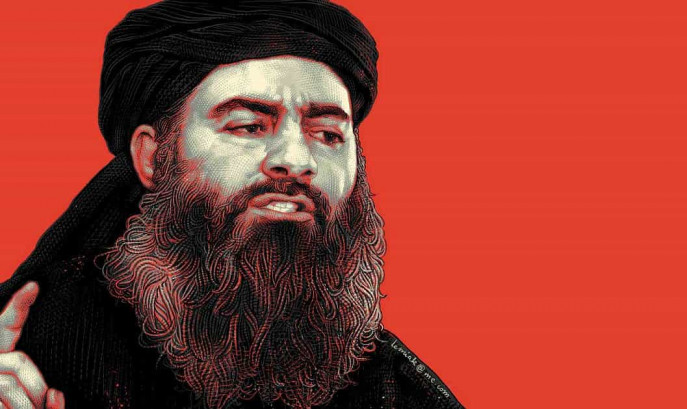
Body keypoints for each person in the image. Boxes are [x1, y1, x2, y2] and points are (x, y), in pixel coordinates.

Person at [0, 1, 464, 408]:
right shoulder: (37, 345)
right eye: (248, 126)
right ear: (151, 156)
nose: (296, 161)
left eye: (327, 134)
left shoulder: (395, 390)